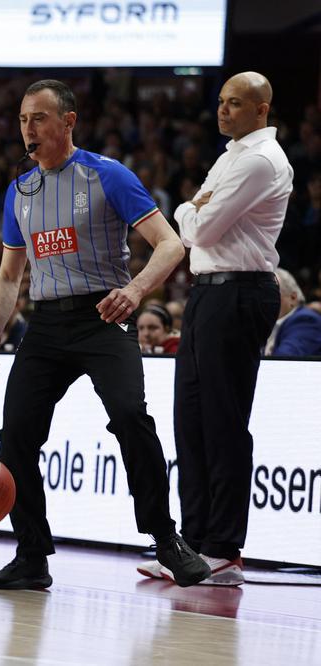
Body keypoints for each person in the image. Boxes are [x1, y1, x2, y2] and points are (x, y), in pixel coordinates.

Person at [0, 79, 209, 590]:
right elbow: (10, 275)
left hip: (106, 314)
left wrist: (137, 290)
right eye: (21, 120)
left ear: (68, 121)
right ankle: (32, 555)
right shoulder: (20, 191)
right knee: (15, 437)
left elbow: (170, 245)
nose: (28, 129)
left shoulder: (108, 176)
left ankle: (167, 540)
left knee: (130, 416)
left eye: (38, 118)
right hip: (47, 324)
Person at [140, 72, 293, 586]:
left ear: (261, 109)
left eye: (235, 103)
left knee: (223, 421)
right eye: (222, 102)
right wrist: (194, 208)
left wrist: (191, 209)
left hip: (240, 289)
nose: (223, 111)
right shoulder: (230, 155)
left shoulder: (256, 159)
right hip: (208, 291)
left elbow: (197, 225)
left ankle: (223, 549)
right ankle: (193, 545)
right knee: (191, 419)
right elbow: (193, 216)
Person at [267, 268, 321, 356]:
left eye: (270, 293)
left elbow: (283, 362)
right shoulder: (264, 324)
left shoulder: (305, 320)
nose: (263, 300)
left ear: (293, 298)